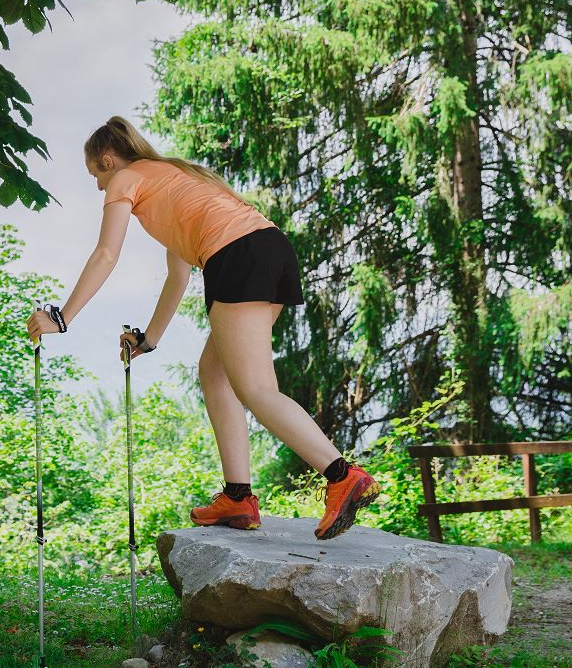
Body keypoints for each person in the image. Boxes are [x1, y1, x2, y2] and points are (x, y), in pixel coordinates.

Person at [25, 116, 379, 540]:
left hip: (237, 255)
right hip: (270, 250)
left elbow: (106, 253)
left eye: (96, 177)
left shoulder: (128, 178)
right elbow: (178, 277)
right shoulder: (174, 179)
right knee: (215, 374)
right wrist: (149, 340)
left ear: (107, 160)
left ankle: (342, 476)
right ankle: (238, 497)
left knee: (257, 390)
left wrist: (61, 318)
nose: (100, 188)